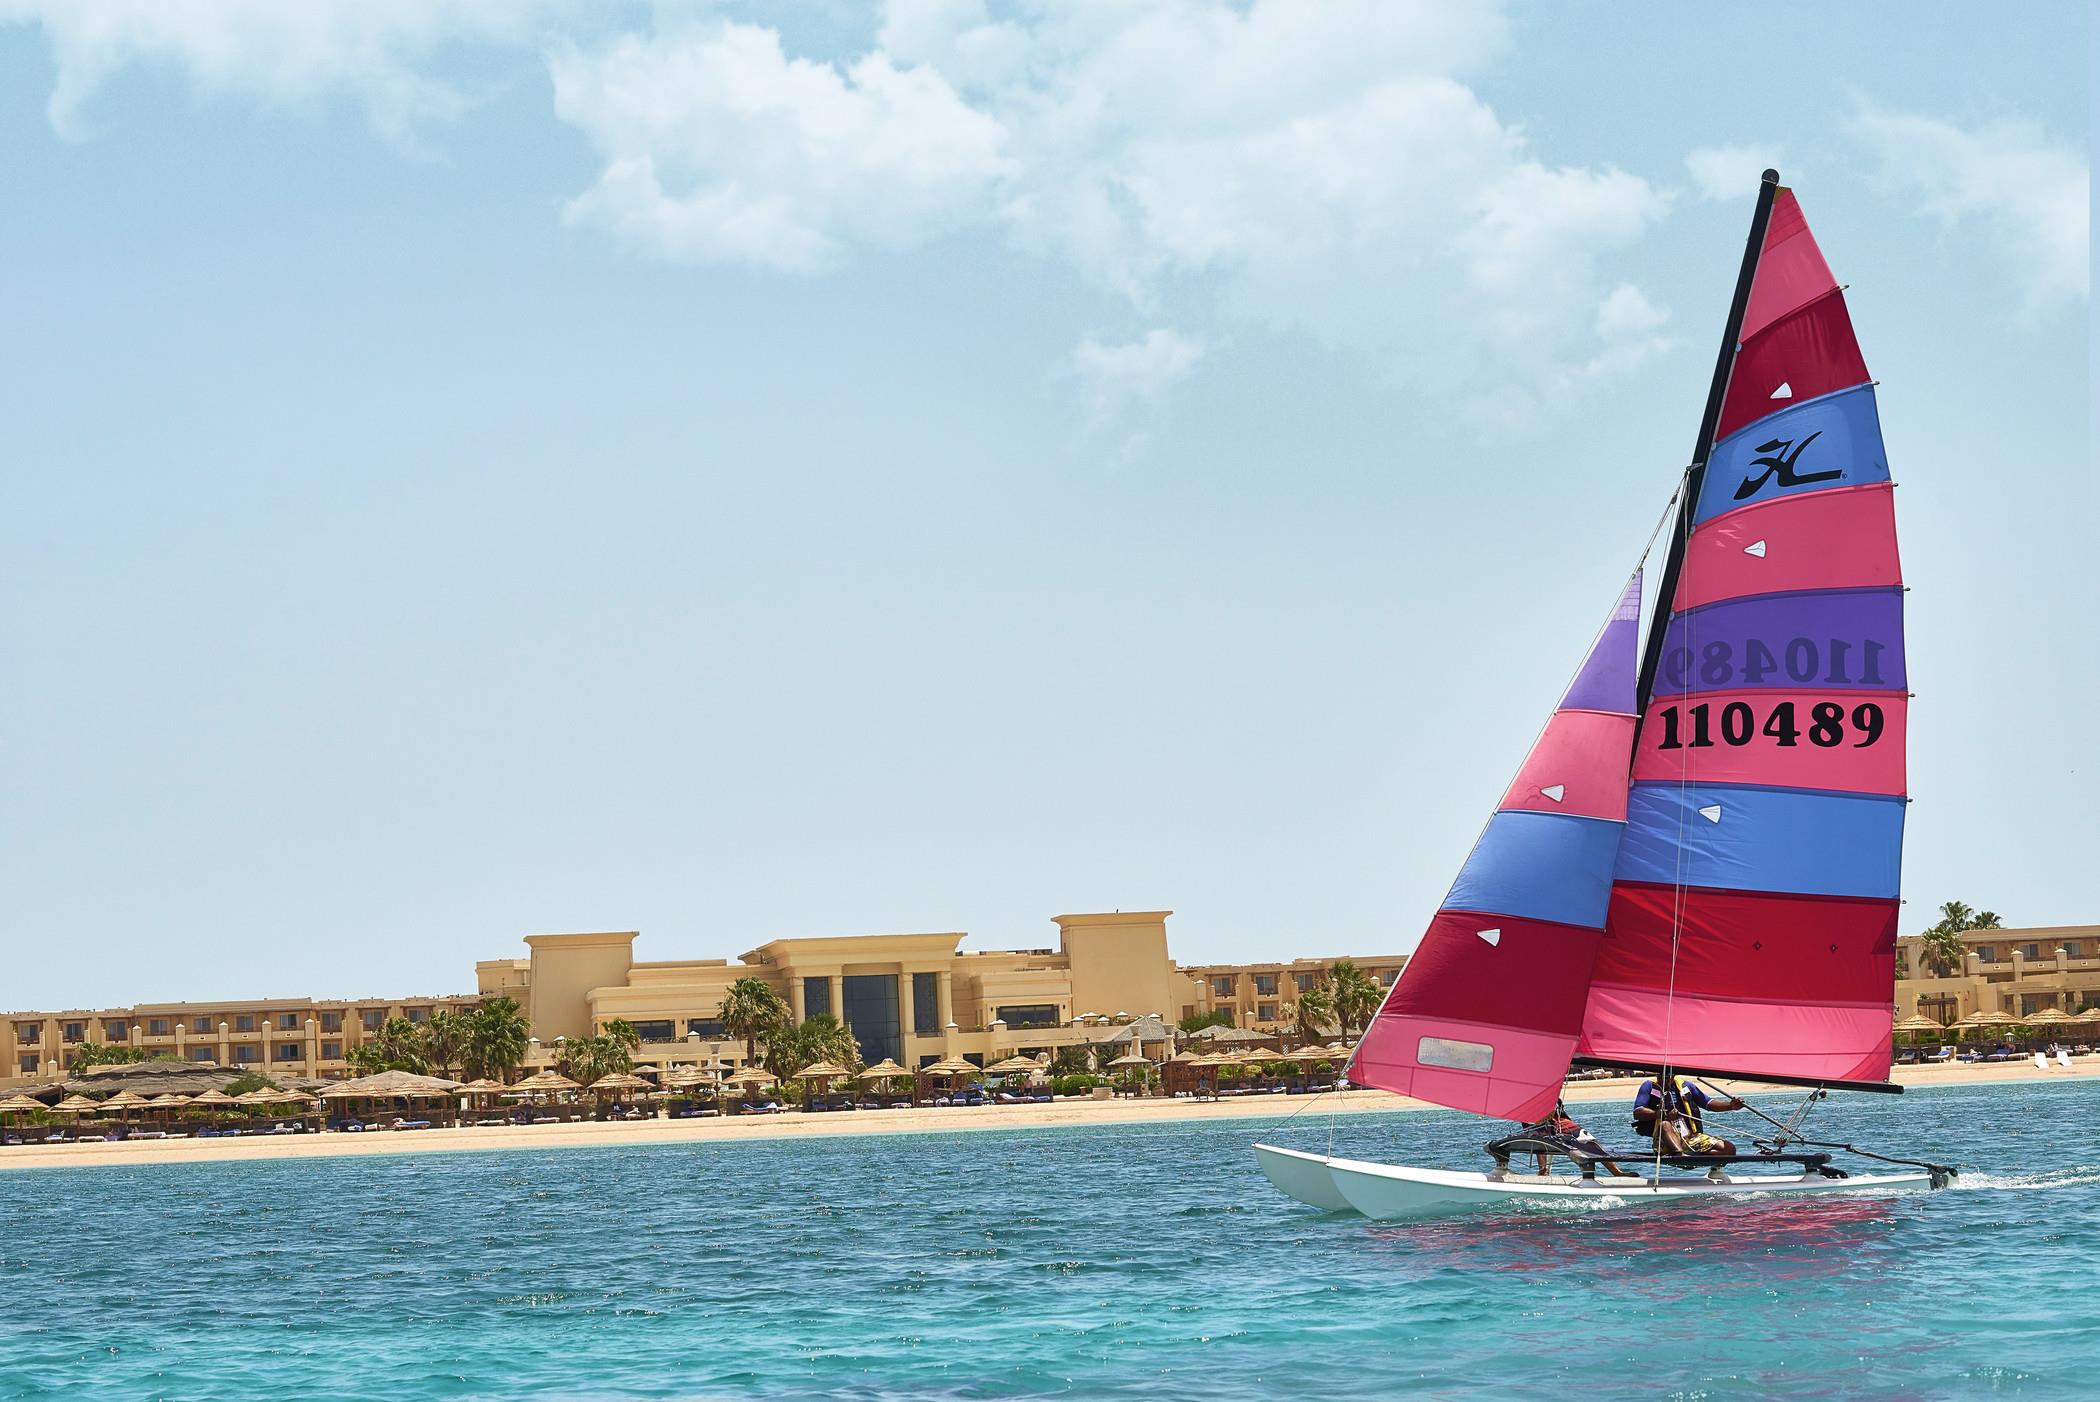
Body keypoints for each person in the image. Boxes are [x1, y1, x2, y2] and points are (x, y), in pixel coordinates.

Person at [1632, 1075, 1743, 1156]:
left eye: (1669, 1075)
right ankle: (1678, 1154)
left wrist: (1730, 1106)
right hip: (1664, 1141)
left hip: (1690, 1138)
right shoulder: (1649, 1086)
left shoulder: (1686, 1086)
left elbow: (1708, 1103)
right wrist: (1663, 1114)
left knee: (1729, 1149)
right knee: (1665, 1124)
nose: (1665, 1077)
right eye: (1661, 1074)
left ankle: (1691, 1156)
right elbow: (1638, 1112)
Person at [1525, 1100, 1639, 1178]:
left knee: (1592, 1144)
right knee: (1589, 1142)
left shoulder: (1545, 1099)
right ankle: (1616, 1172)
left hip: (1551, 1128)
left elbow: (1551, 1115)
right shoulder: (1534, 1104)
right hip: (1548, 1128)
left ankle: (1616, 1172)